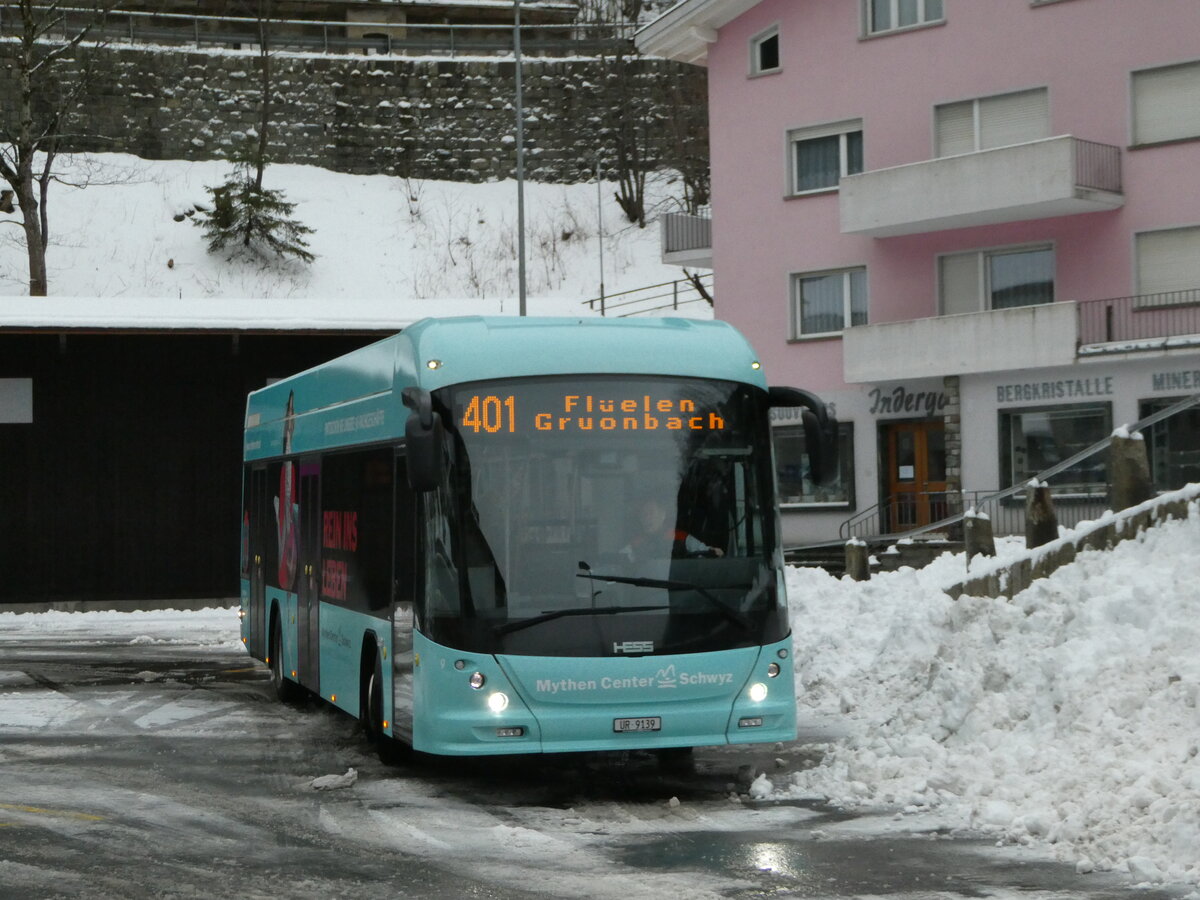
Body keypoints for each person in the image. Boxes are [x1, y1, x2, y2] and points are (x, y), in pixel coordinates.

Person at [621, 497, 723, 562]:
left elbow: (703, 551)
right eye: (643, 514)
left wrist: (712, 551)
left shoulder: (680, 536)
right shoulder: (636, 543)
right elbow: (620, 560)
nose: (646, 518)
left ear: (662, 515)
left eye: (651, 513)